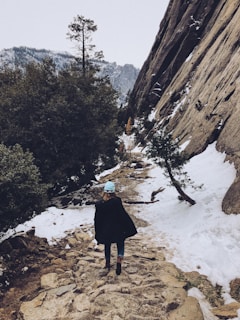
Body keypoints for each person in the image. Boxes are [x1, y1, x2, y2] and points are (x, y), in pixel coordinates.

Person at [94, 181, 137, 275]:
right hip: (118, 229)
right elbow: (123, 215)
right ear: (113, 191)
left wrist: (97, 232)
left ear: (104, 191)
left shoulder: (99, 205)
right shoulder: (117, 202)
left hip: (106, 231)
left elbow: (97, 220)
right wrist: (129, 226)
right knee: (120, 244)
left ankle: (107, 264)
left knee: (107, 246)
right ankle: (118, 263)